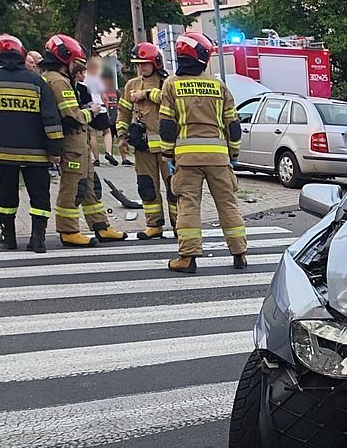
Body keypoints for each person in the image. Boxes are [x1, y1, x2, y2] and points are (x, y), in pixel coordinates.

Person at [159, 31, 247, 273]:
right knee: (228, 204)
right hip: (219, 158)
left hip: (187, 159)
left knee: (188, 205)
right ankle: (239, 253)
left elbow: (167, 126)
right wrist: (234, 154)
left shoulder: (172, 86)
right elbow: (233, 125)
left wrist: (168, 155)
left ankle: (187, 259)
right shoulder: (219, 86)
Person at [0, 34, 63, 253]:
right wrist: (55, 150)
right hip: (37, 154)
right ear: (21, 54)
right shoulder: (37, 82)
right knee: (40, 195)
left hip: (3, 153)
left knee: (6, 195)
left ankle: (8, 236)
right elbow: (51, 119)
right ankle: (38, 239)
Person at [40, 34, 125, 247]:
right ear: (64, 59)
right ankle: (68, 230)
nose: (77, 67)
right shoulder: (58, 81)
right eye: (75, 62)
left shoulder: (55, 78)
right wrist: (92, 111)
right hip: (71, 143)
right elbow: (72, 116)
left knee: (88, 185)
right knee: (72, 186)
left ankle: (101, 226)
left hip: (78, 143)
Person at [117, 41, 176, 239]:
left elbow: (169, 99)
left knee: (174, 188)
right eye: (138, 64)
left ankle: (180, 226)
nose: (141, 67)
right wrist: (122, 136)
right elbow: (123, 112)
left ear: (156, 63)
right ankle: (154, 225)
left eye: (145, 63)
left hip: (168, 149)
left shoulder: (167, 82)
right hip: (143, 147)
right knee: (147, 186)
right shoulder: (131, 85)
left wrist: (146, 94)